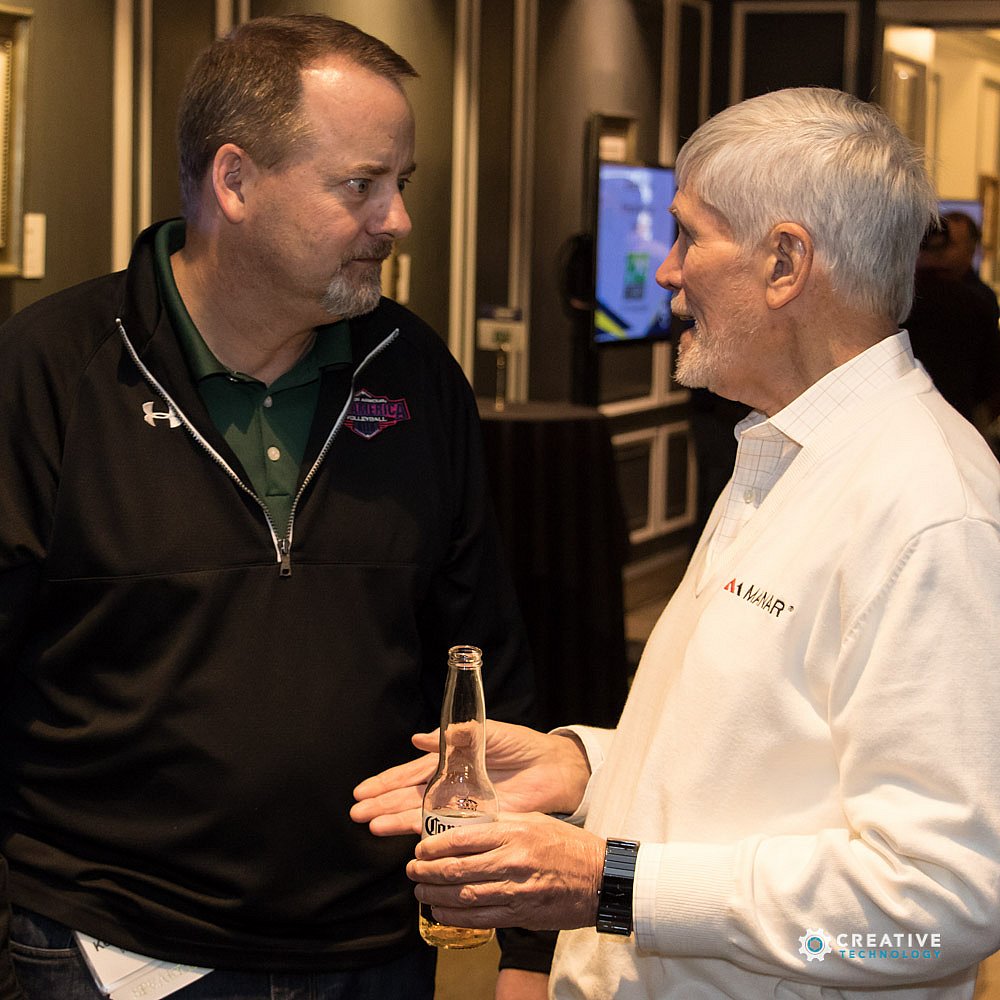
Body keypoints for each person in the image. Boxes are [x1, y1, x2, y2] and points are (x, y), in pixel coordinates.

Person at [352, 87, 1000, 999]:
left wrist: (612, 884)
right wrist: (584, 766)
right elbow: (763, 765)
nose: (665, 271)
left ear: (785, 263)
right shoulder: (783, 454)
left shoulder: (931, 512)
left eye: (689, 236)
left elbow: (939, 909)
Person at [0, 14, 540, 1000]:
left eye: (402, 183)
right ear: (235, 181)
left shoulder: (414, 370)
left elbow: (484, 662)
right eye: (360, 185)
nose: (396, 220)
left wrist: (526, 944)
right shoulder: (50, 371)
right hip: (115, 947)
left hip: (374, 945)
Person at [904, 214, 1000, 425]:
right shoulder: (975, 302)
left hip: (907, 412)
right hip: (958, 416)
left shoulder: (897, 300)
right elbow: (991, 380)